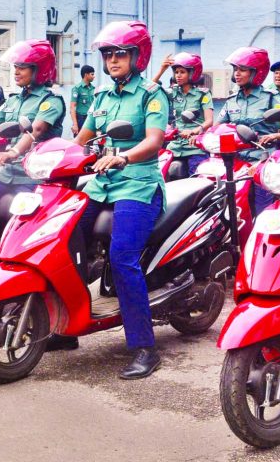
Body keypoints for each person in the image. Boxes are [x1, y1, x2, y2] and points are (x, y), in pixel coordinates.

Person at [67, 20, 170, 378]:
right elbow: (81, 140)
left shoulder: (151, 95)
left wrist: (124, 157)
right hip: (101, 183)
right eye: (108, 54)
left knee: (122, 255)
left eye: (120, 54)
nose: (112, 60)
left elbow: (154, 141)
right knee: (64, 236)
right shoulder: (101, 96)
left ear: (137, 57)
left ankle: (144, 346)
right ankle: (70, 323)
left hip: (138, 184)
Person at [0, 39, 65, 242]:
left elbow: (36, 129)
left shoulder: (50, 100)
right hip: (8, 174)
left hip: (34, 178)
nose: (16, 71)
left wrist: (13, 152)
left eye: (22, 67)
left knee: (18, 231)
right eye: (15, 66)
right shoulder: (13, 100)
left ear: (39, 69)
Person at [216, 47, 280, 214]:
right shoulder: (232, 100)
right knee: (230, 206)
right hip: (235, 162)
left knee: (262, 208)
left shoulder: (270, 97)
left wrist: (274, 135)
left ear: (256, 73)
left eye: (242, 69)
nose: (237, 74)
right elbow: (217, 128)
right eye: (235, 69)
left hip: (261, 161)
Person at [152, 52, 213, 176]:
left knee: (197, 179)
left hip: (195, 145)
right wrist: (162, 69)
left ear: (192, 73)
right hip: (175, 144)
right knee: (159, 174)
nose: (178, 75)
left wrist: (194, 131)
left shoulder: (203, 94)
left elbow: (209, 121)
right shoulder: (173, 92)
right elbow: (150, 89)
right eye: (176, 72)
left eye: (182, 72)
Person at [70, 65, 96, 136]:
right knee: (79, 143)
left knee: (90, 142)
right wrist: (75, 124)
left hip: (91, 119)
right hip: (80, 119)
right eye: (92, 74)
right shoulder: (77, 88)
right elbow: (72, 107)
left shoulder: (93, 89)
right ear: (86, 75)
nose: (94, 76)